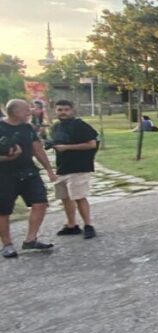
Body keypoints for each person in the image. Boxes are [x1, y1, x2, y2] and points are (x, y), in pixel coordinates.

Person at [0, 99, 58, 258]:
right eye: (27, 110)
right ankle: (7, 245)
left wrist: (49, 170)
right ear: (16, 112)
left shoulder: (28, 128)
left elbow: (38, 150)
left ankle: (30, 239)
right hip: (4, 175)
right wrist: (8, 158)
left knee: (40, 202)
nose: (30, 112)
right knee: (3, 211)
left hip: (29, 172)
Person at [50, 100, 99, 239]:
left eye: (66, 109)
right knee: (65, 198)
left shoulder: (80, 125)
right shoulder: (55, 127)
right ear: (55, 111)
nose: (63, 112)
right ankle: (72, 225)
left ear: (72, 110)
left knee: (79, 197)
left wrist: (67, 148)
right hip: (62, 167)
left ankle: (88, 225)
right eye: (60, 110)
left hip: (79, 167)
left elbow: (91, 144)